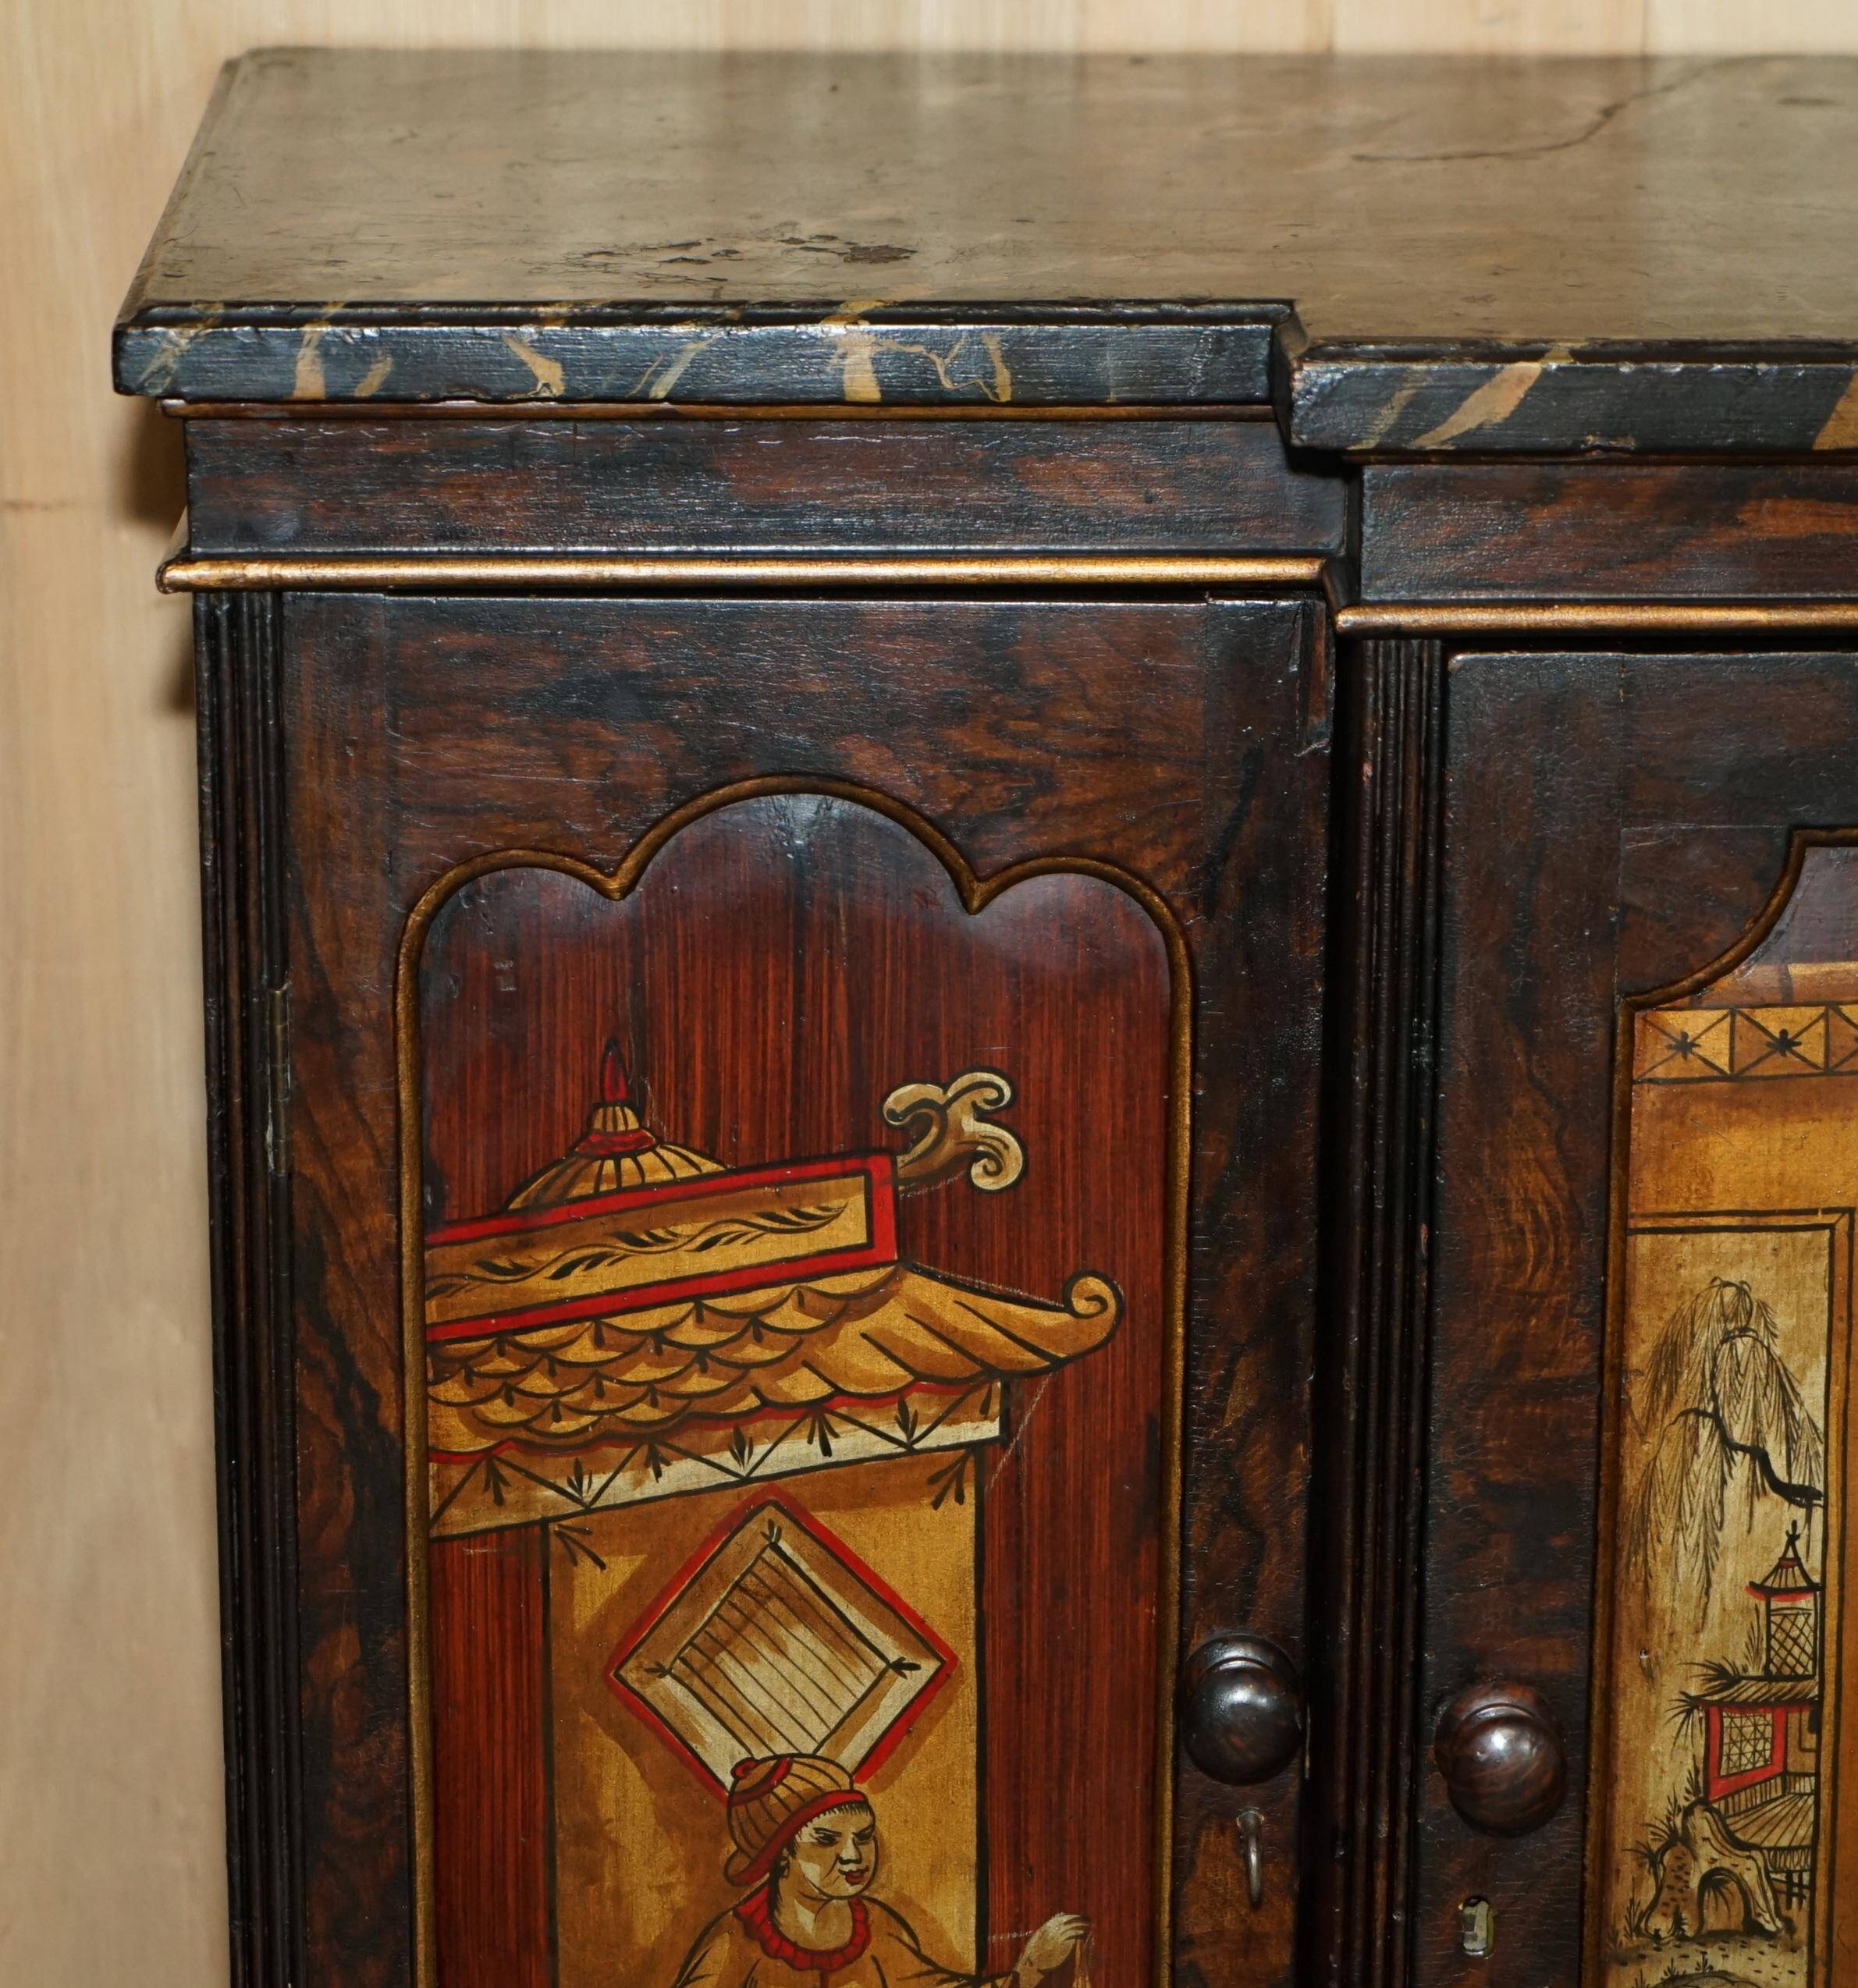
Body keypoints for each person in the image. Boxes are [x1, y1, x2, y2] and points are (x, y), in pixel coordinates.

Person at [667, 1754, 1090, 1987]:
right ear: (781, 1856)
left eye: (864, 1836)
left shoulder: (877, 1927)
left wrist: (1028, 1971)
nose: (855, 1857)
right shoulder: (732, 1943)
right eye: (828, 1841)